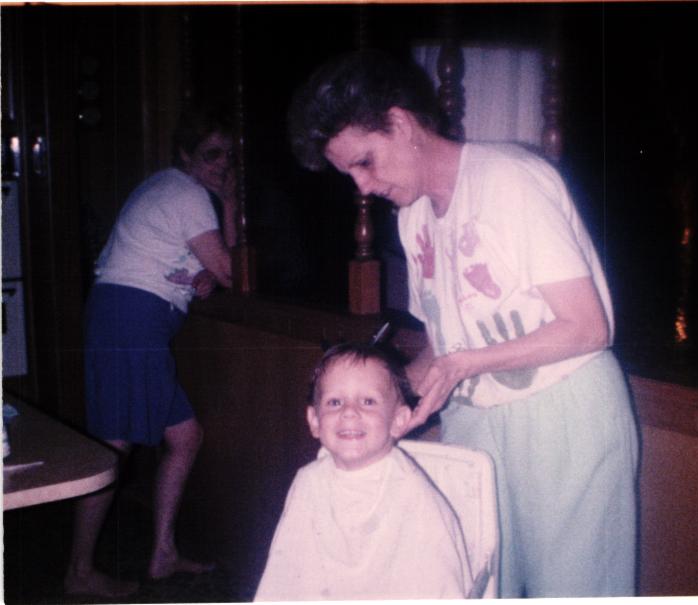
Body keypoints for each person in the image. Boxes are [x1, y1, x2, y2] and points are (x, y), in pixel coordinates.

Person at [287, 49, 640, 598]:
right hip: (477, 419)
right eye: (350, 173)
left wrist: (462, 365)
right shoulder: (414, 217)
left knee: (573, 590)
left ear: (401, 124)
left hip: (562, 412)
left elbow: (588, 327)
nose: (362, 186)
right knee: (482, 582)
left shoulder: (509, 180)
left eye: (365, 162)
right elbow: (444, 343)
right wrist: (385, 400)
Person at [64, 107, 237, 598]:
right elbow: (233, 271)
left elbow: (205, 267)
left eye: (230, 156)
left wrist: (202, 275)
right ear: (185, 155)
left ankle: (162, 555)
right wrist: (229, 204)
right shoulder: (188, 194)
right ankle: (78, 573)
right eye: (212, 154)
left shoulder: (166, 187)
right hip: (131, 320)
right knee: (112, 449)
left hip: (126, 318)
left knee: (185, 437)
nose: (223, 164)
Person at [254, 342, 473, 601]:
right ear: (314, 421)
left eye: (368, 401)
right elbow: (284, 575)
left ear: (398, 420)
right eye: (335, 402)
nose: (349, 412)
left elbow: (438, 584)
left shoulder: (414, 495)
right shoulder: (308, 482)